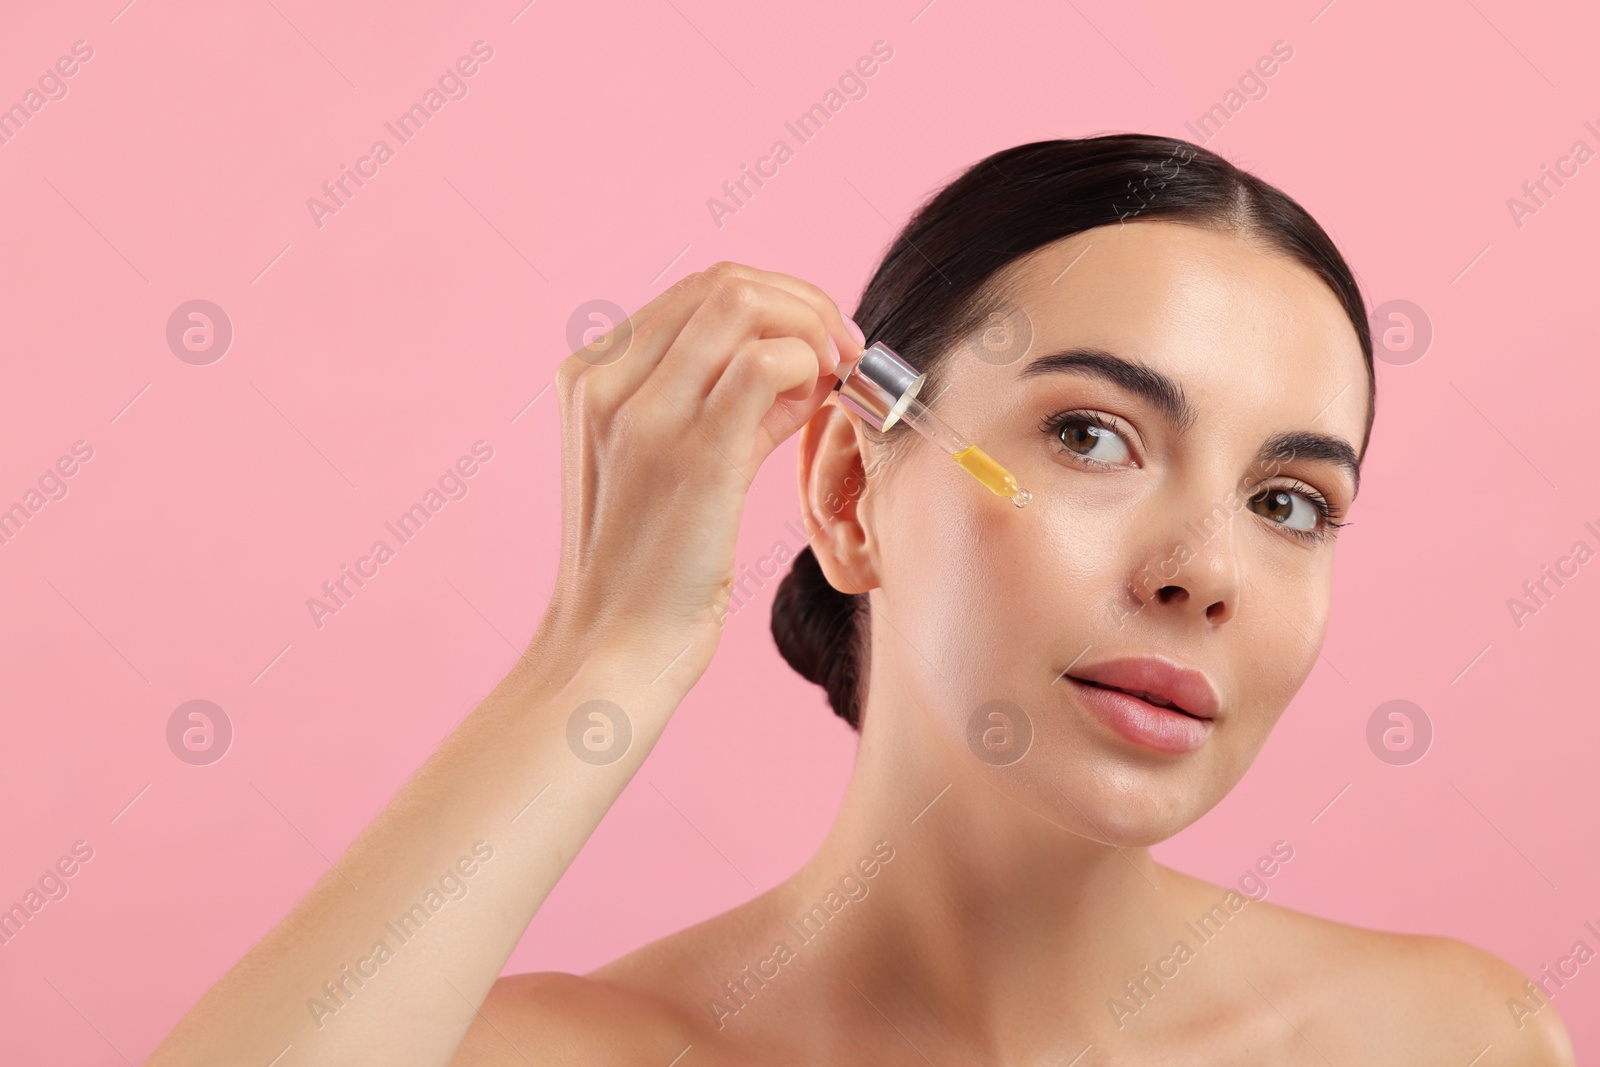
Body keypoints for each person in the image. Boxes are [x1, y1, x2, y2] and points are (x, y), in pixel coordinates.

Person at [148, 134, 1575, 1065]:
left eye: (1290, 504)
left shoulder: (1451, 1037)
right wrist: (604, 654)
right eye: (1093, 434)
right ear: (847, 488)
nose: (1202, 572)